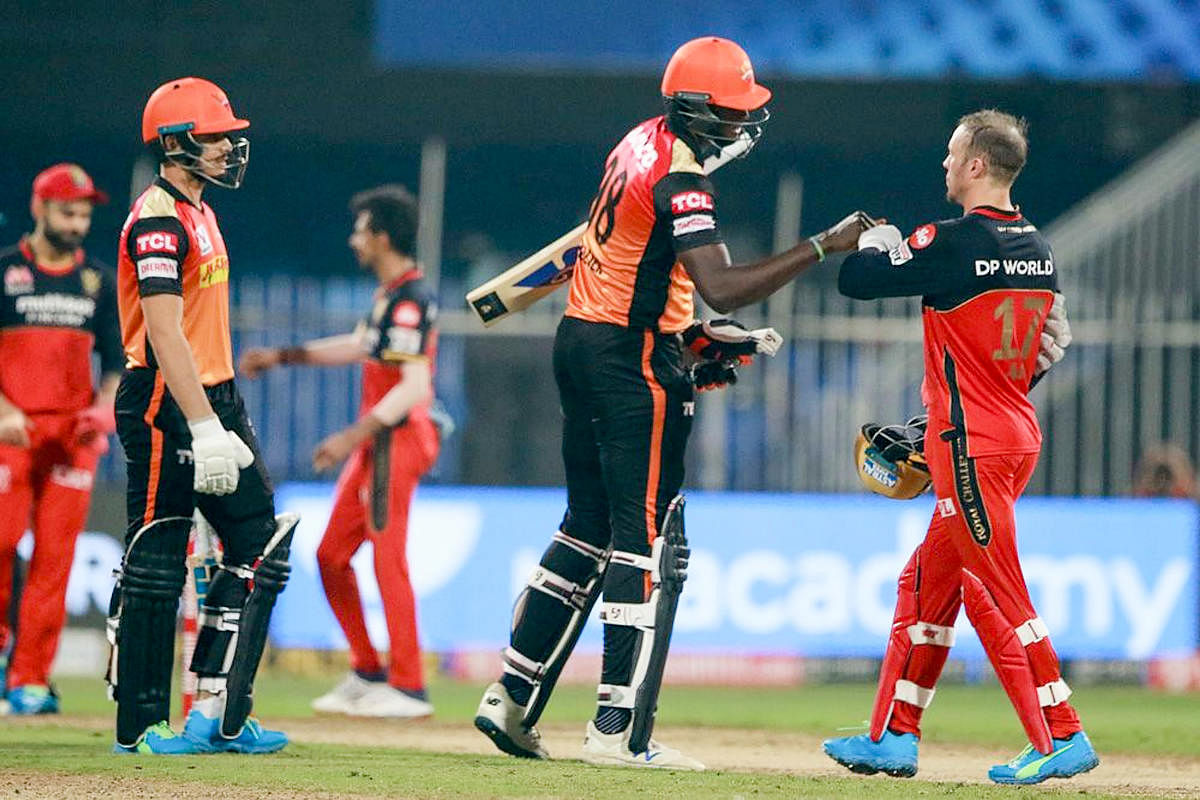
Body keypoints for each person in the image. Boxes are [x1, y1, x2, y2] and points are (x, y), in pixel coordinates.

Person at [472, 35, 873, 770]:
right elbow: (719, 281)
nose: (743, 127)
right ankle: (616, 730)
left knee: (584, 528)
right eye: (731, 113)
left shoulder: (637, 142)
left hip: (583, 340)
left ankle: (511, 695)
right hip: (630, 360)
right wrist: (824, 244)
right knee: (644, 541)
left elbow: (636, 262)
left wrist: (696, 335)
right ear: (696, 111)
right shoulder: (684, 179)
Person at [824, 109, 1096, 785]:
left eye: (951, 154)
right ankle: (894, 735)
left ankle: (1062, 734)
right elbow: (1037, 352)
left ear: (977, 164)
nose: (944, 164)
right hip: (1005, 431)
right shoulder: (1039, 247)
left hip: (971, 444)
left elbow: (854, 280)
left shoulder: (948, 243)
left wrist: (882, 240)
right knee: (924, 583)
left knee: (998, 592)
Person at [108, 77, 294, 754]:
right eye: (216, 136)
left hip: (213, 394)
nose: (229, 146)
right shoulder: (158, 218)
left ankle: (216, 713)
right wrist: (203, 424)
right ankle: (143, 726)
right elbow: (163, 333)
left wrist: (219, 412)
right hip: (165, 399)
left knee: (259, 546)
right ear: (177, 141)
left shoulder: (200, 211)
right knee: (158, 556)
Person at [238, 185, 440, 719]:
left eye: (360, 230)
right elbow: (357, 348)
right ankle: (369, 670)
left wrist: (352, 436)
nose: (353, 241)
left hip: (396, 441)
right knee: (331, 557)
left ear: (380, 236)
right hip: (378, 443)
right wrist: (283, 356)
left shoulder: (411, 300)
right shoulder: (390, 297)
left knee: (387, 557)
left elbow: (415, 387)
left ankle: (409, 686)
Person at [0, 164, 120, 714]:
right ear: (39, 208)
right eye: (67, 211)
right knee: (1, 543)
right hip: (11, 431)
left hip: (72, 437)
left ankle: (29, 681)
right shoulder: (5, 272)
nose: (77, 223)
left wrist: (102, 410)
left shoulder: (97, 281)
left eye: (84, 214)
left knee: (55, 560)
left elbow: (118, 363)